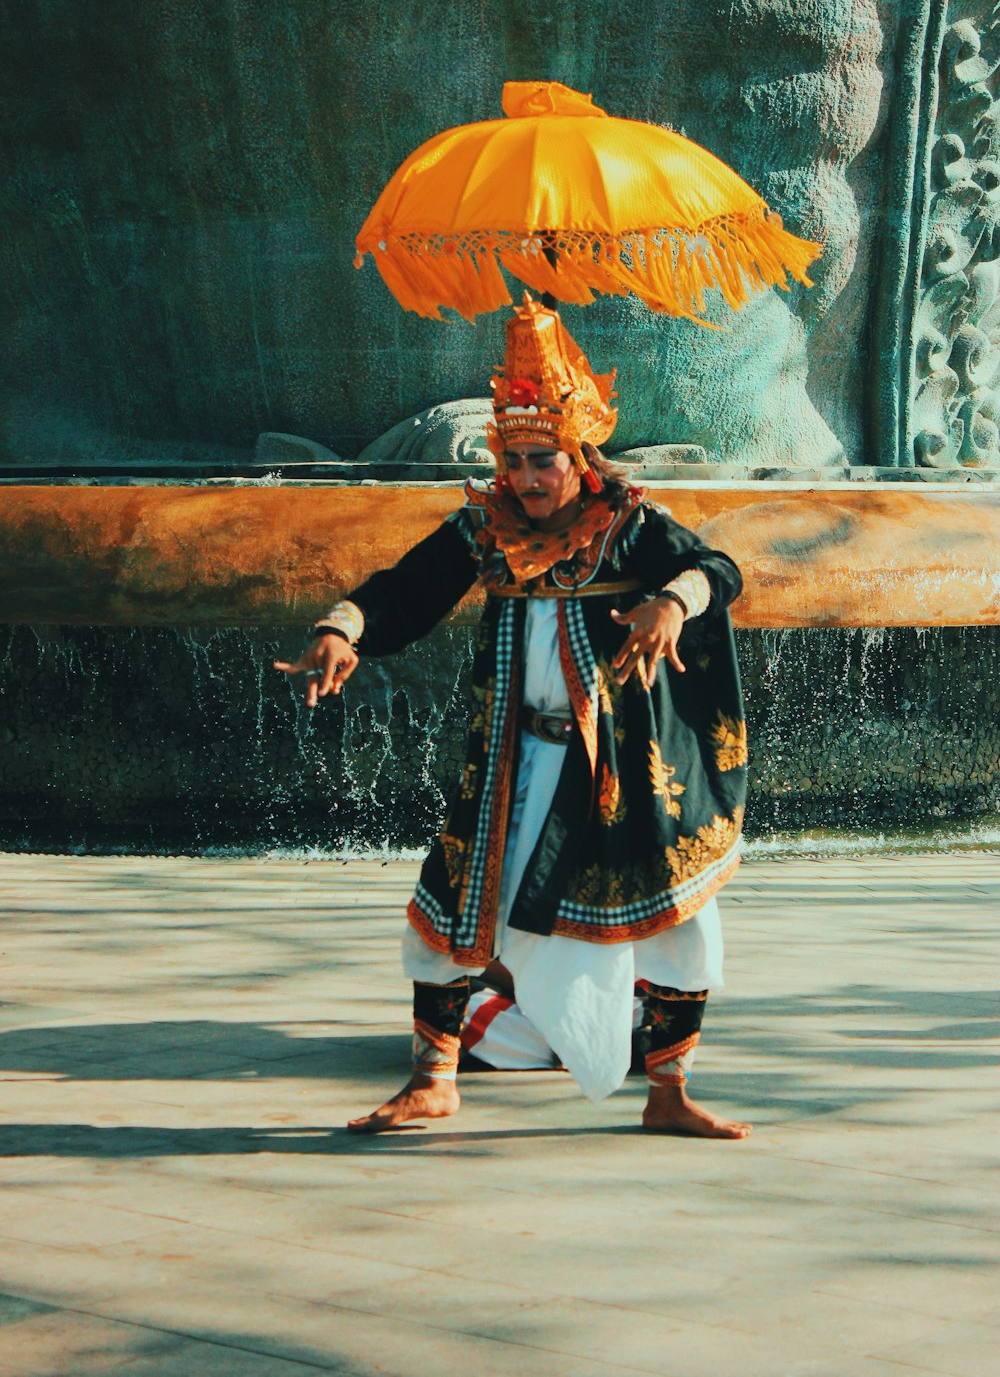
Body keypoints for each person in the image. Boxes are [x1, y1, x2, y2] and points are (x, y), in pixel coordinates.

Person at [276, 296, 750, 1138]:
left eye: (546, 461)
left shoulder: (630, 525)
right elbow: (407, 590)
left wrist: (673, 603)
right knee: (448, 914)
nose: (528, 479)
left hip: (617, 771)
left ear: (581, 457)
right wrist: (341, 626)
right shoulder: (483, 528)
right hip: (511, 763)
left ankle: (670, 1093)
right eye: (517, 460)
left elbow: (718, 567)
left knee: (680, 927)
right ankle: (434, 1080)